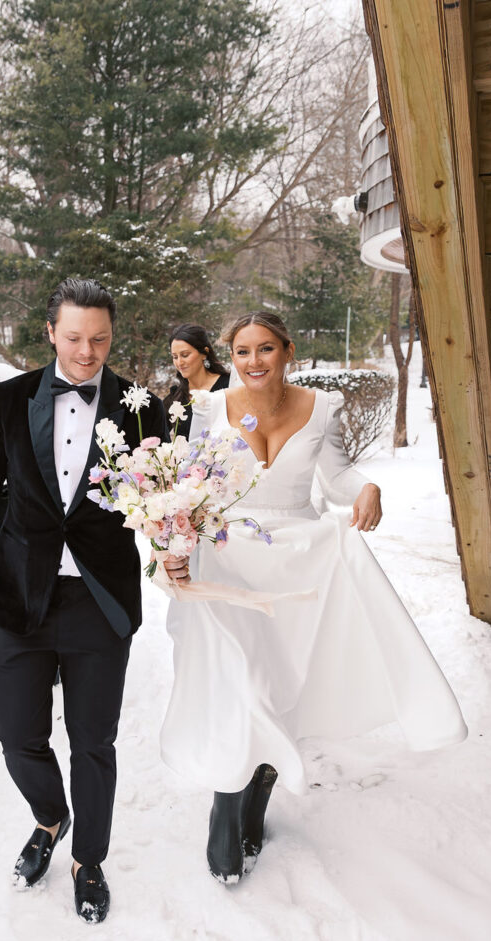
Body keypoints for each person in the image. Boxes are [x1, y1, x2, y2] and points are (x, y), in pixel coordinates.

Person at [161, 311, 467, 883]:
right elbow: (186, 489)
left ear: (288, 351)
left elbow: (338, 479)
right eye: (243, 351)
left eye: (266, 349)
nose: (254, 362)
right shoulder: (206, 409)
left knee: (284, 687)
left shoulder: (319, 408)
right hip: (226, 559)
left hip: (301, 561)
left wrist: (368, 488)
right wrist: (171, 546)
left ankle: (257, 805)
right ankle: (226, 817)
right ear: (230, 357)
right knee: (239, 683)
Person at [0, 277, 167, 923]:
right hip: (21, 595)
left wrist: (179, 541)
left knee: (93, 743)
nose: (87, 352)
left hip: (100, 600)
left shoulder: (142, 407)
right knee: (17, 734)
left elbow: (163, 499)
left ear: (114, 336)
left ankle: (89, 859)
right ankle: (50, 817)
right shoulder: (10, 399)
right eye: (75, 337)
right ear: (51, 332)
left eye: (100, 339)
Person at [163, 323, 231, 436]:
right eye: (175, 357)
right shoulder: (175, 397)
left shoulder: (229, 386)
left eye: (185, 355)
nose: (179, 362)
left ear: (204, 353)